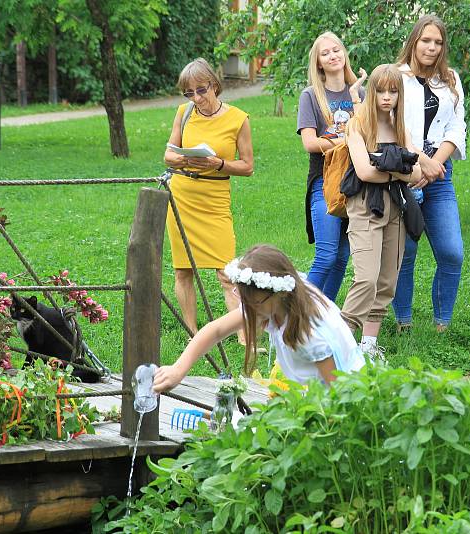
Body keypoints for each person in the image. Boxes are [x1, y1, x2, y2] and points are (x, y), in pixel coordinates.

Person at [153, 244, 366, 390]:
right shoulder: (272, 301)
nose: (248, 310)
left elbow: (338, 393)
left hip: (337, 397)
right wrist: (178, 370)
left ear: (280, 292)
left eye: (254, 303)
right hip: (308, 393)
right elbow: (216, 330)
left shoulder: (310, 334)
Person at [163, 58, 254, 346]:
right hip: (182, 195)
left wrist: (218, 164)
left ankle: (242, 335)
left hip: (215, 198)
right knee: (183, 269)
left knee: (227, 272)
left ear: (214, 85)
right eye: (189, 93)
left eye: (201, 91)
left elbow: (247, 166)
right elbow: (168, 154)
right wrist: (181, 158)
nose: (196, 98)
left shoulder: (238, 118)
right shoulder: (184, 113)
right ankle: (193, 332)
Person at [340, 64, 422, 359]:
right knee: (367, 277)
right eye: (381, 90)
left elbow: (416, 173)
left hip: (395, 206)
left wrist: (390, 168)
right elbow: (364, 172)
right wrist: (398, 168)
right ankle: (340, 344)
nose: (387, 97)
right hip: (365, 205)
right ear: (370, 91)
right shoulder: (358, 125)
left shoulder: (401, 128)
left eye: (393, 91)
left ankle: (369, 347)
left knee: (387, 279)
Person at [392, 15, 467, 333]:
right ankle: (402, 322)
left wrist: (436, 165)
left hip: (439, 175)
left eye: (438, 42)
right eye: (426, 40)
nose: (432, 47)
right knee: (405, 252)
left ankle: (442, 325)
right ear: (414, 41)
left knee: (452, 252)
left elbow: (457, 126)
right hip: (402, 174)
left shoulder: (450, 79)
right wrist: (421, 160)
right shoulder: (394, 77)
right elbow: (386, 125)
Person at [297, 33, 366, 302]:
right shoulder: (311, 96)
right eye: (325, 53)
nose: (333, 56)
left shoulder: (358, 93)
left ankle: (322, 316)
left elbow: (370, 134)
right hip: (324, 181)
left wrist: (342, 137)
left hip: (356, 180)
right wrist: (347, 138)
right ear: (318, 63)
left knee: (341, 259)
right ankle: (295, 312)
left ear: (344, 54)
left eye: (337, 50)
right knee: (326, 256)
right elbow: (310, 143)